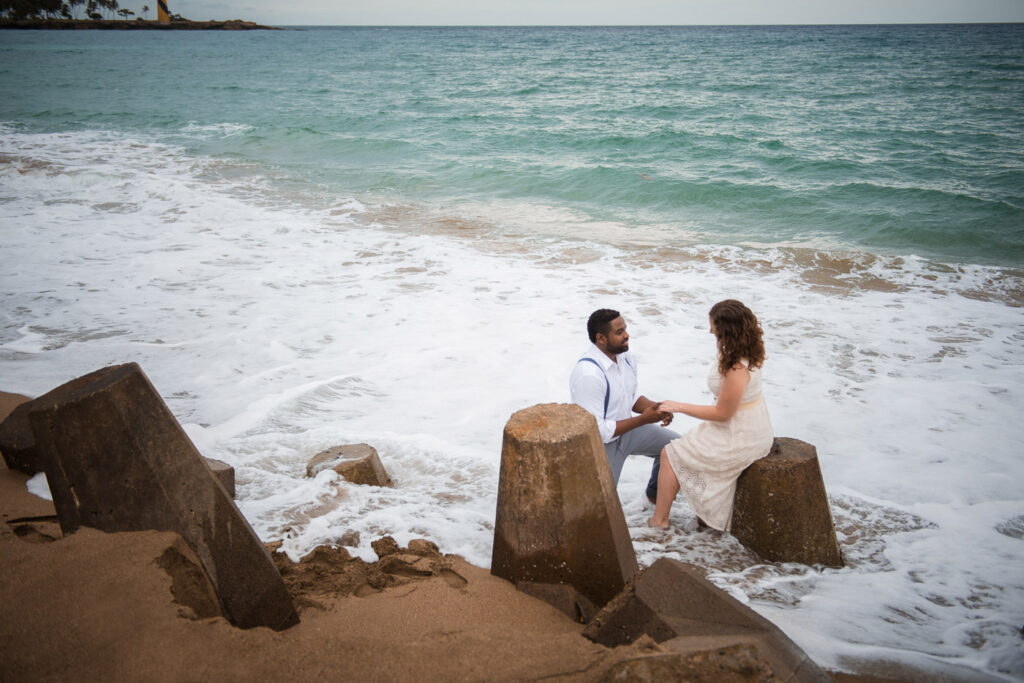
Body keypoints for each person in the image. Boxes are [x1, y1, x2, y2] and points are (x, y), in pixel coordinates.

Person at [648, 299, 773, 531]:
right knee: (687, 449)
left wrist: (678, 406)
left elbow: (723, 413)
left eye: (713, 326)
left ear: (727, 330)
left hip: (740, 433)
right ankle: (704, 516)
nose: (710, 330)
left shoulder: (737, 368)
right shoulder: (750, 350)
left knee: (670, 453)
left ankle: (659, 521)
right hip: (748, 423)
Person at [570, 309, 679, 502]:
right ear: (601, 338)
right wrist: (644, 419)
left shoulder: (626, 358)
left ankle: (655, 495)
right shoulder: (589, 374)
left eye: (625, 329)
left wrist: (656, 408)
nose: (627, 335)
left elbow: (630, 396)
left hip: (627, 431)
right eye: (619, 332)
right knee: (601, 506)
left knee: (679, 449)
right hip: (601, 445)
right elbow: (598, 431)